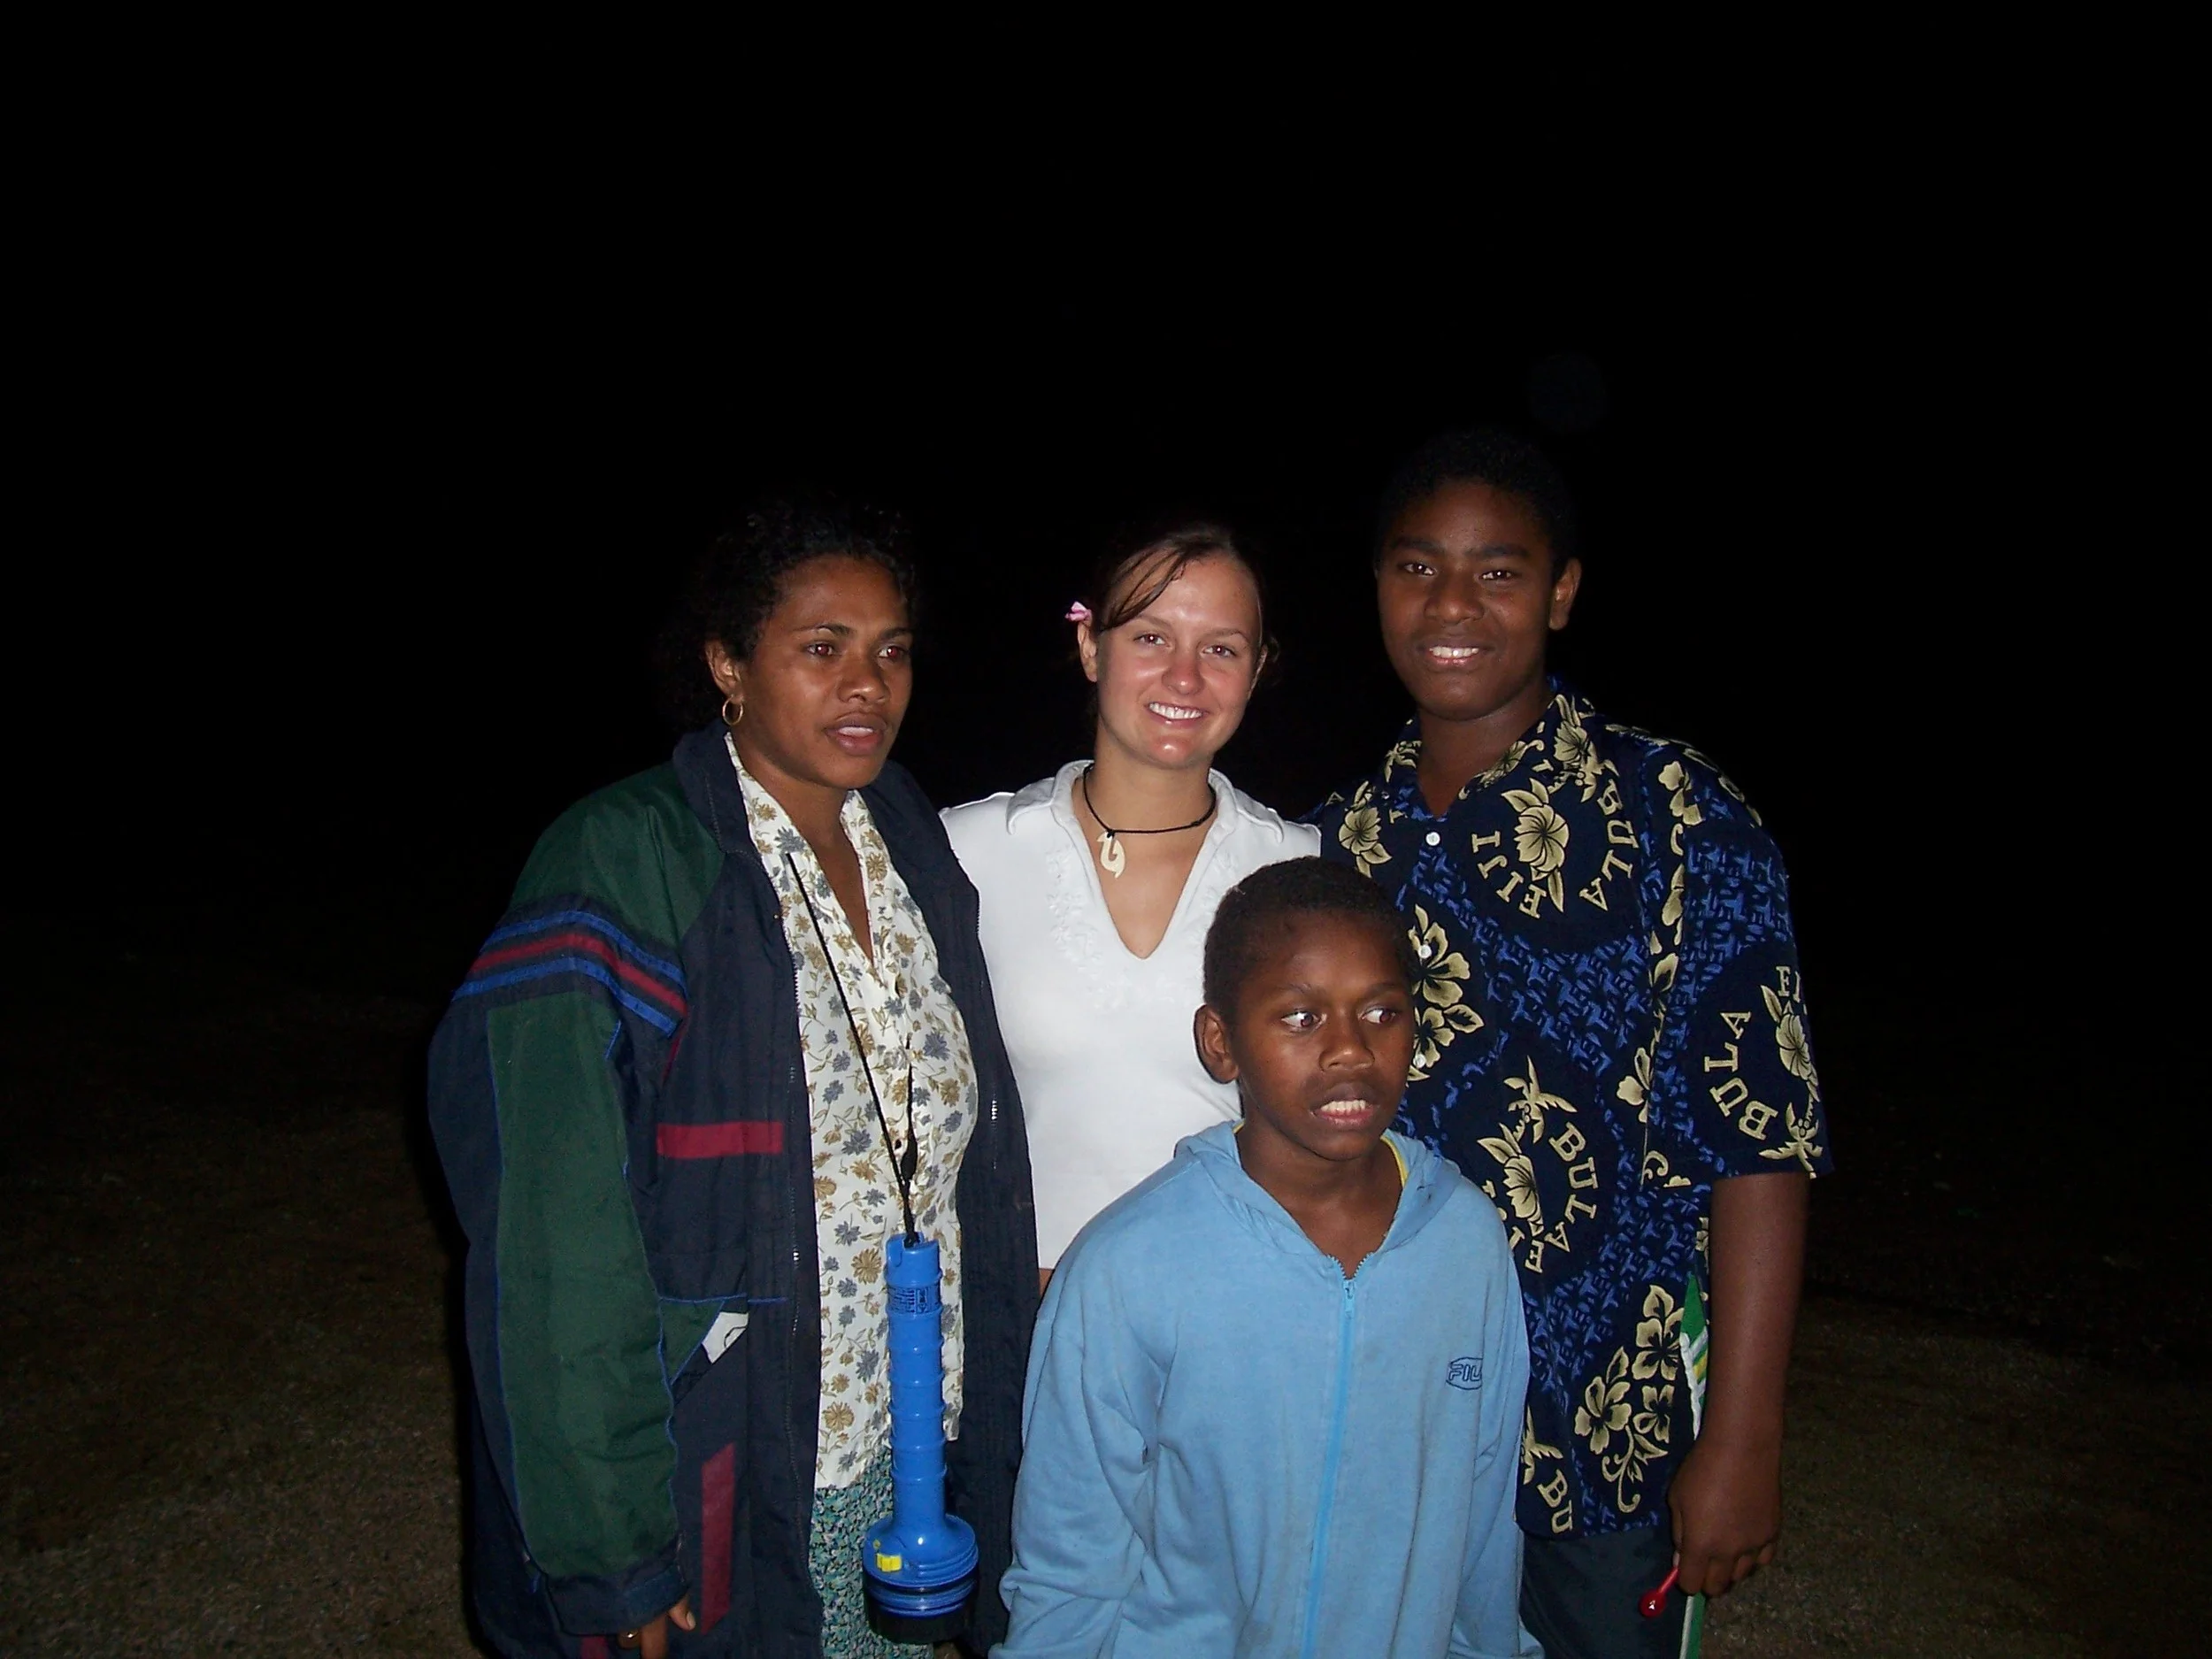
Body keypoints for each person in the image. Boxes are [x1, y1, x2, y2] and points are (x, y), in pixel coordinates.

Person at [426, 499, 1039, 1659]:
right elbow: (555, 1245)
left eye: (891, 649)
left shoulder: (906, 841)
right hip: (732, 1454)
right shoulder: (629, 859)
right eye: (822, 647)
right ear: (728, 663)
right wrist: (612, 1552)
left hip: (911, 1432)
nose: (868, 682)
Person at [1309, 428, 1832, 1658]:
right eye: (1416, 566)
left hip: (1608, 1436)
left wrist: (1745, 1432)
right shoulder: (1329, 848)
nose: (1451, 604)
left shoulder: (1679, 815)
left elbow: (1758, 1135)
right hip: (1371, 1430)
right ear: (1378, 587)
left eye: (1497, 570)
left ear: (1561, 589)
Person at [995, 859, 1537, 1658]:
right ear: (1222, 1042)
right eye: (1300, 1018)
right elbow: (1069, 1564)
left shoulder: (1465, 1241)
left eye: (1382, 1012)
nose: (1350, 1050)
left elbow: (1484, 1516)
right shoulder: (1125, 1266)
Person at [942, 525, 1318, 1281]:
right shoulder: (967, 852)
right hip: (1022, 1329)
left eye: (1220, 648)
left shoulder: (1300, 869)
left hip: (1231, 1318)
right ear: (1090, 647)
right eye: (1151, 637)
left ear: (1256, 668)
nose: (1184, 677)